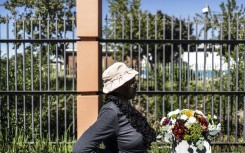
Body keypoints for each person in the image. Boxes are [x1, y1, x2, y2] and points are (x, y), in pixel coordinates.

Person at [73, 62, 156, 153]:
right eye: (131, 83)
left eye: (135, 82)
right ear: (118, 88)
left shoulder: (125, 108)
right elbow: (80, 149)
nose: (135, 86)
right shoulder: (111, 112)